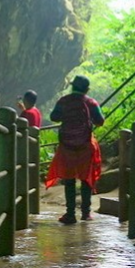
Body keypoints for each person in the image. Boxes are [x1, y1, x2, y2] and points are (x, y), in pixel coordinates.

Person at [45, 75, 105, 224]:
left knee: (69, 179)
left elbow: (54, 117)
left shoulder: (63, 101)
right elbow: (100, 121)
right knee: (86, 179)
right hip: (85, 146)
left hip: (67, 146)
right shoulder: (91, 102)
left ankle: (70, 214)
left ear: (72, 86)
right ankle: (86, 213)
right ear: (87, 89)